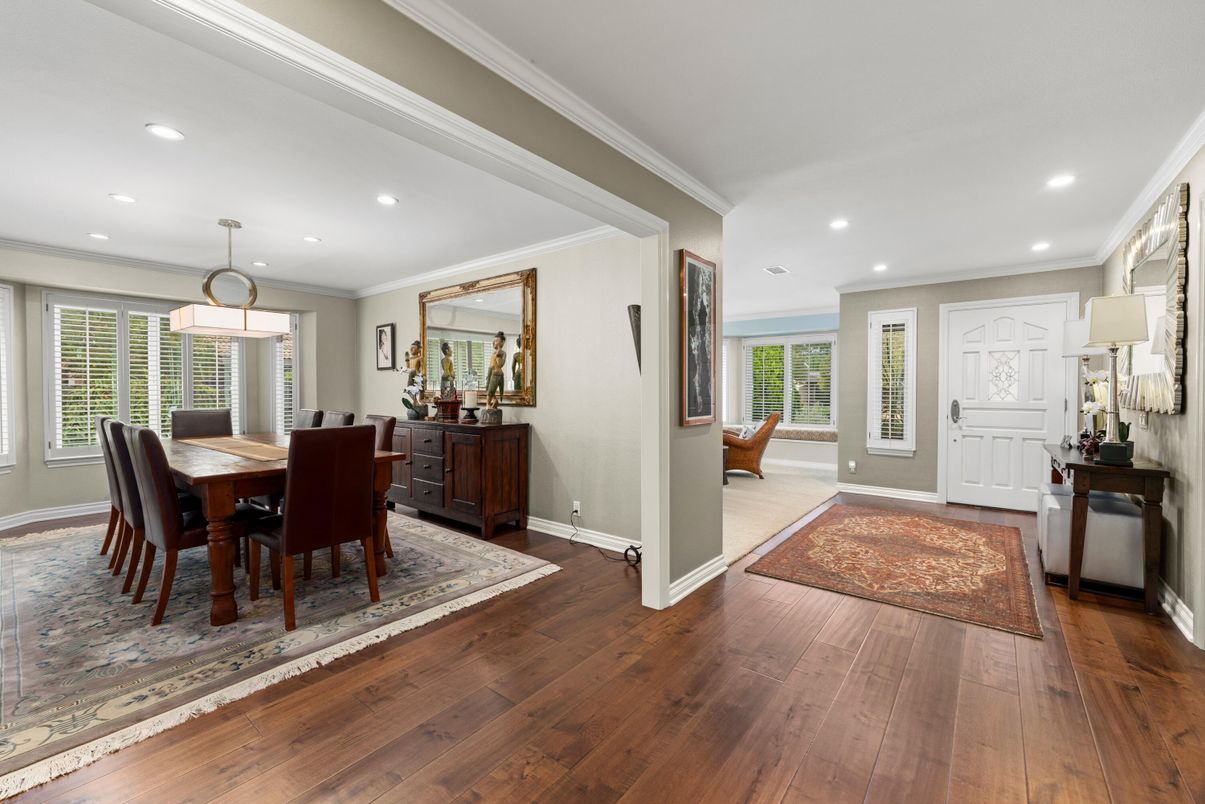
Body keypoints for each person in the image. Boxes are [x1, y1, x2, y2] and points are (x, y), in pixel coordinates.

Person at [486, 331, 506, 407]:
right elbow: (491, 364)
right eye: (494, 341)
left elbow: (500, 364)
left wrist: (498, 355)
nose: (494, 342)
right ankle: (494, 400)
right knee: (487, 388)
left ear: (502, 342)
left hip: (496, 372)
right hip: (491, 371)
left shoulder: (502, 353)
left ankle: (488, 404)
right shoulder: (494, 353)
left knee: (491, 390)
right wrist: (488, 374)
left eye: (497, 341)